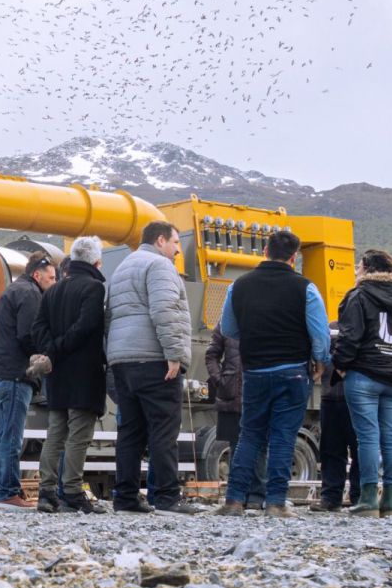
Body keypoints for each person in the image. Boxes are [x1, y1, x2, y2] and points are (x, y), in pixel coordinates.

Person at [216, 229, 331, 517]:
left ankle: (233, 500)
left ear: (265, 250)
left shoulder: (238, 286)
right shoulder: (305, 288)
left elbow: (228, 329)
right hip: (292, 372)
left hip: (254, 371)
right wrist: (320, 361)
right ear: (294, 257)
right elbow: (320, 334)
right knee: (283, 437)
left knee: (250, 435)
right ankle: (276, 503)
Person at [105, 221, 204, 514]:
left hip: (122, 360)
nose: (177, 250)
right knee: (163, 429)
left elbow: (109, 317)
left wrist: (113, 357)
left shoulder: (123, 267)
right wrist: (174, 354)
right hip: (153, 358)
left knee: (130, 431)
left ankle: (125, 497)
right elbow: (165, 310)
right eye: (175, 243)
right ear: (161, 240)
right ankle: (166, 497)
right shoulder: (159, 266)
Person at [332, 250, 392, 516]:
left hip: (364, 375)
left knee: (367, 437)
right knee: (391, 437)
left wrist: (341, 365)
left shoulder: (358, 296)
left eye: (360, 266)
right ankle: (391, 498)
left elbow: (350, 337)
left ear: (368, 269)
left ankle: (369, 497)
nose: (357, 271)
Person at [27, 238, 108, 514]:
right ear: (96, 262)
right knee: (78, 435)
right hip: (84, 372)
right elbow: (86, 327)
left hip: (57, 374)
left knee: (55, 433)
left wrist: (51, 351)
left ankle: (46, 492)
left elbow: (37, 327)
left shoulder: (52, 291)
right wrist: (59, 348)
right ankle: (72, 491)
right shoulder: (94, 288)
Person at [0, 251, 56, 510]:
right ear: (37, 274)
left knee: (1, 436)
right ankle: (8, 493)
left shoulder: (13, 291)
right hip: (16, 375)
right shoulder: (30, 294)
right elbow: (29, 335)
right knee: (12, 437)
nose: (53, 283)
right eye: (51, 278)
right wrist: (48, 354)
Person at [204, 326, 251, 496]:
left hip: (255, 392)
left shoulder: (261, 315)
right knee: (235, 445)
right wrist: (220, 380)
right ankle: (237, 494)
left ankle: (255, 494)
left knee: (261, 446)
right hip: (231, 396)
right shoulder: (225, 324)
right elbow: (211, 355)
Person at [316, 329, 360, 511]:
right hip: (336, 397)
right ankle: (335, 497)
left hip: (348, 397)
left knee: (351, 450)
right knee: (333, 449)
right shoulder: (331, 329)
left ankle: (352, 496)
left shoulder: (331, 331)